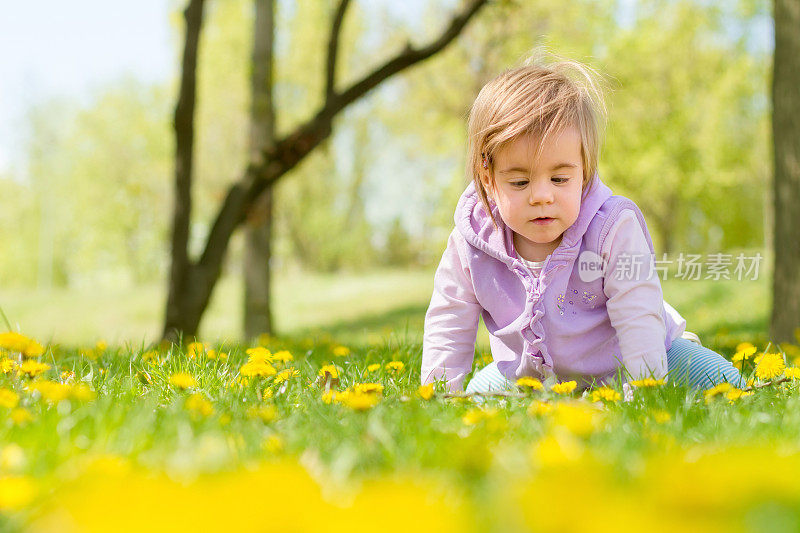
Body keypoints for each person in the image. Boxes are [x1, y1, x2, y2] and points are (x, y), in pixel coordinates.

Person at [420, 58, 744, 395]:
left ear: (584, 171)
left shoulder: (611, 229)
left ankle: (681, 358)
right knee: (476, 395)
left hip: (633, 359)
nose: (542, 196)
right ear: (488, 178)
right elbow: (449, 321)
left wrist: (646, 393)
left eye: (560, 178)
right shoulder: (472, 243)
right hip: (534, 377)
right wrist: (439, 395)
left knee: (728, 384)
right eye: (519, 182)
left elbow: (637, 312)